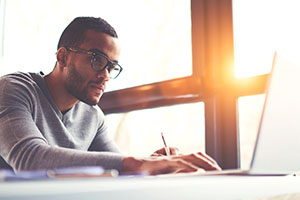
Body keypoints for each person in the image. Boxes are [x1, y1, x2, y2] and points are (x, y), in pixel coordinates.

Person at [0, 16, 221, 175]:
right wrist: (136, 164)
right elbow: (30, 159)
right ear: (63, 57)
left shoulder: (93, 115)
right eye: (97, 59)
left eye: (112, 67)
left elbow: (118, 168)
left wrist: (153, 164)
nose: (105, 75)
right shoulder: (13, 89)